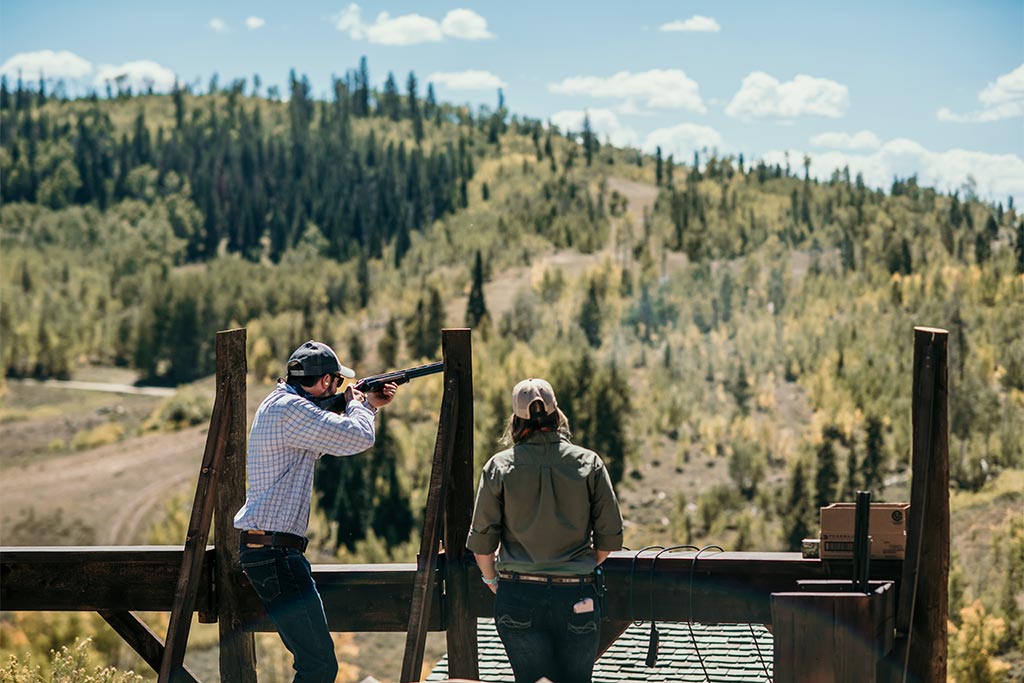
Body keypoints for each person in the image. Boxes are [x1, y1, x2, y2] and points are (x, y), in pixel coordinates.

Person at [233, 340, 398, 683]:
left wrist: (366, 404)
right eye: (336, 382)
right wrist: (359, 406)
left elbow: (331, 436)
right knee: (318, 666)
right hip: (275, 553)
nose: (338, 388)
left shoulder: (280, 406)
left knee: (315, 663)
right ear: (325, 381)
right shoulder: (292, 409)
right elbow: (358, 437)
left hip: (271, 550)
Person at [467, 378, 624, 683]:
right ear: (556, 414)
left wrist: (492, 580)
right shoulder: (589, 463)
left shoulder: (498, 467)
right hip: (577, 594)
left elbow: (483, 545)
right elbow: (608, 540)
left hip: (518, 595)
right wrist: (580, 564)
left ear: (515, 420)